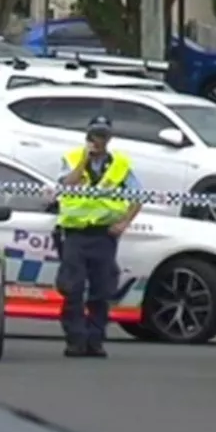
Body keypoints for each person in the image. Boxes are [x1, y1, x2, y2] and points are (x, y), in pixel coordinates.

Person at [54, 115, 142, 358]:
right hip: (75, 234)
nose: (99, 140)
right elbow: (67, 185)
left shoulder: (120, 164)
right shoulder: (71, 158)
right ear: (88, 136)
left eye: (103, 136)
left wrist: (124, 223)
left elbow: (139, 196)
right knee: (72, 289)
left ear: (109, 138)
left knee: (101, 290)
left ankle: (95, 340)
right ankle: (75, 340)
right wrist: (84, 159)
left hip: (104, 235)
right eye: (95, 135)